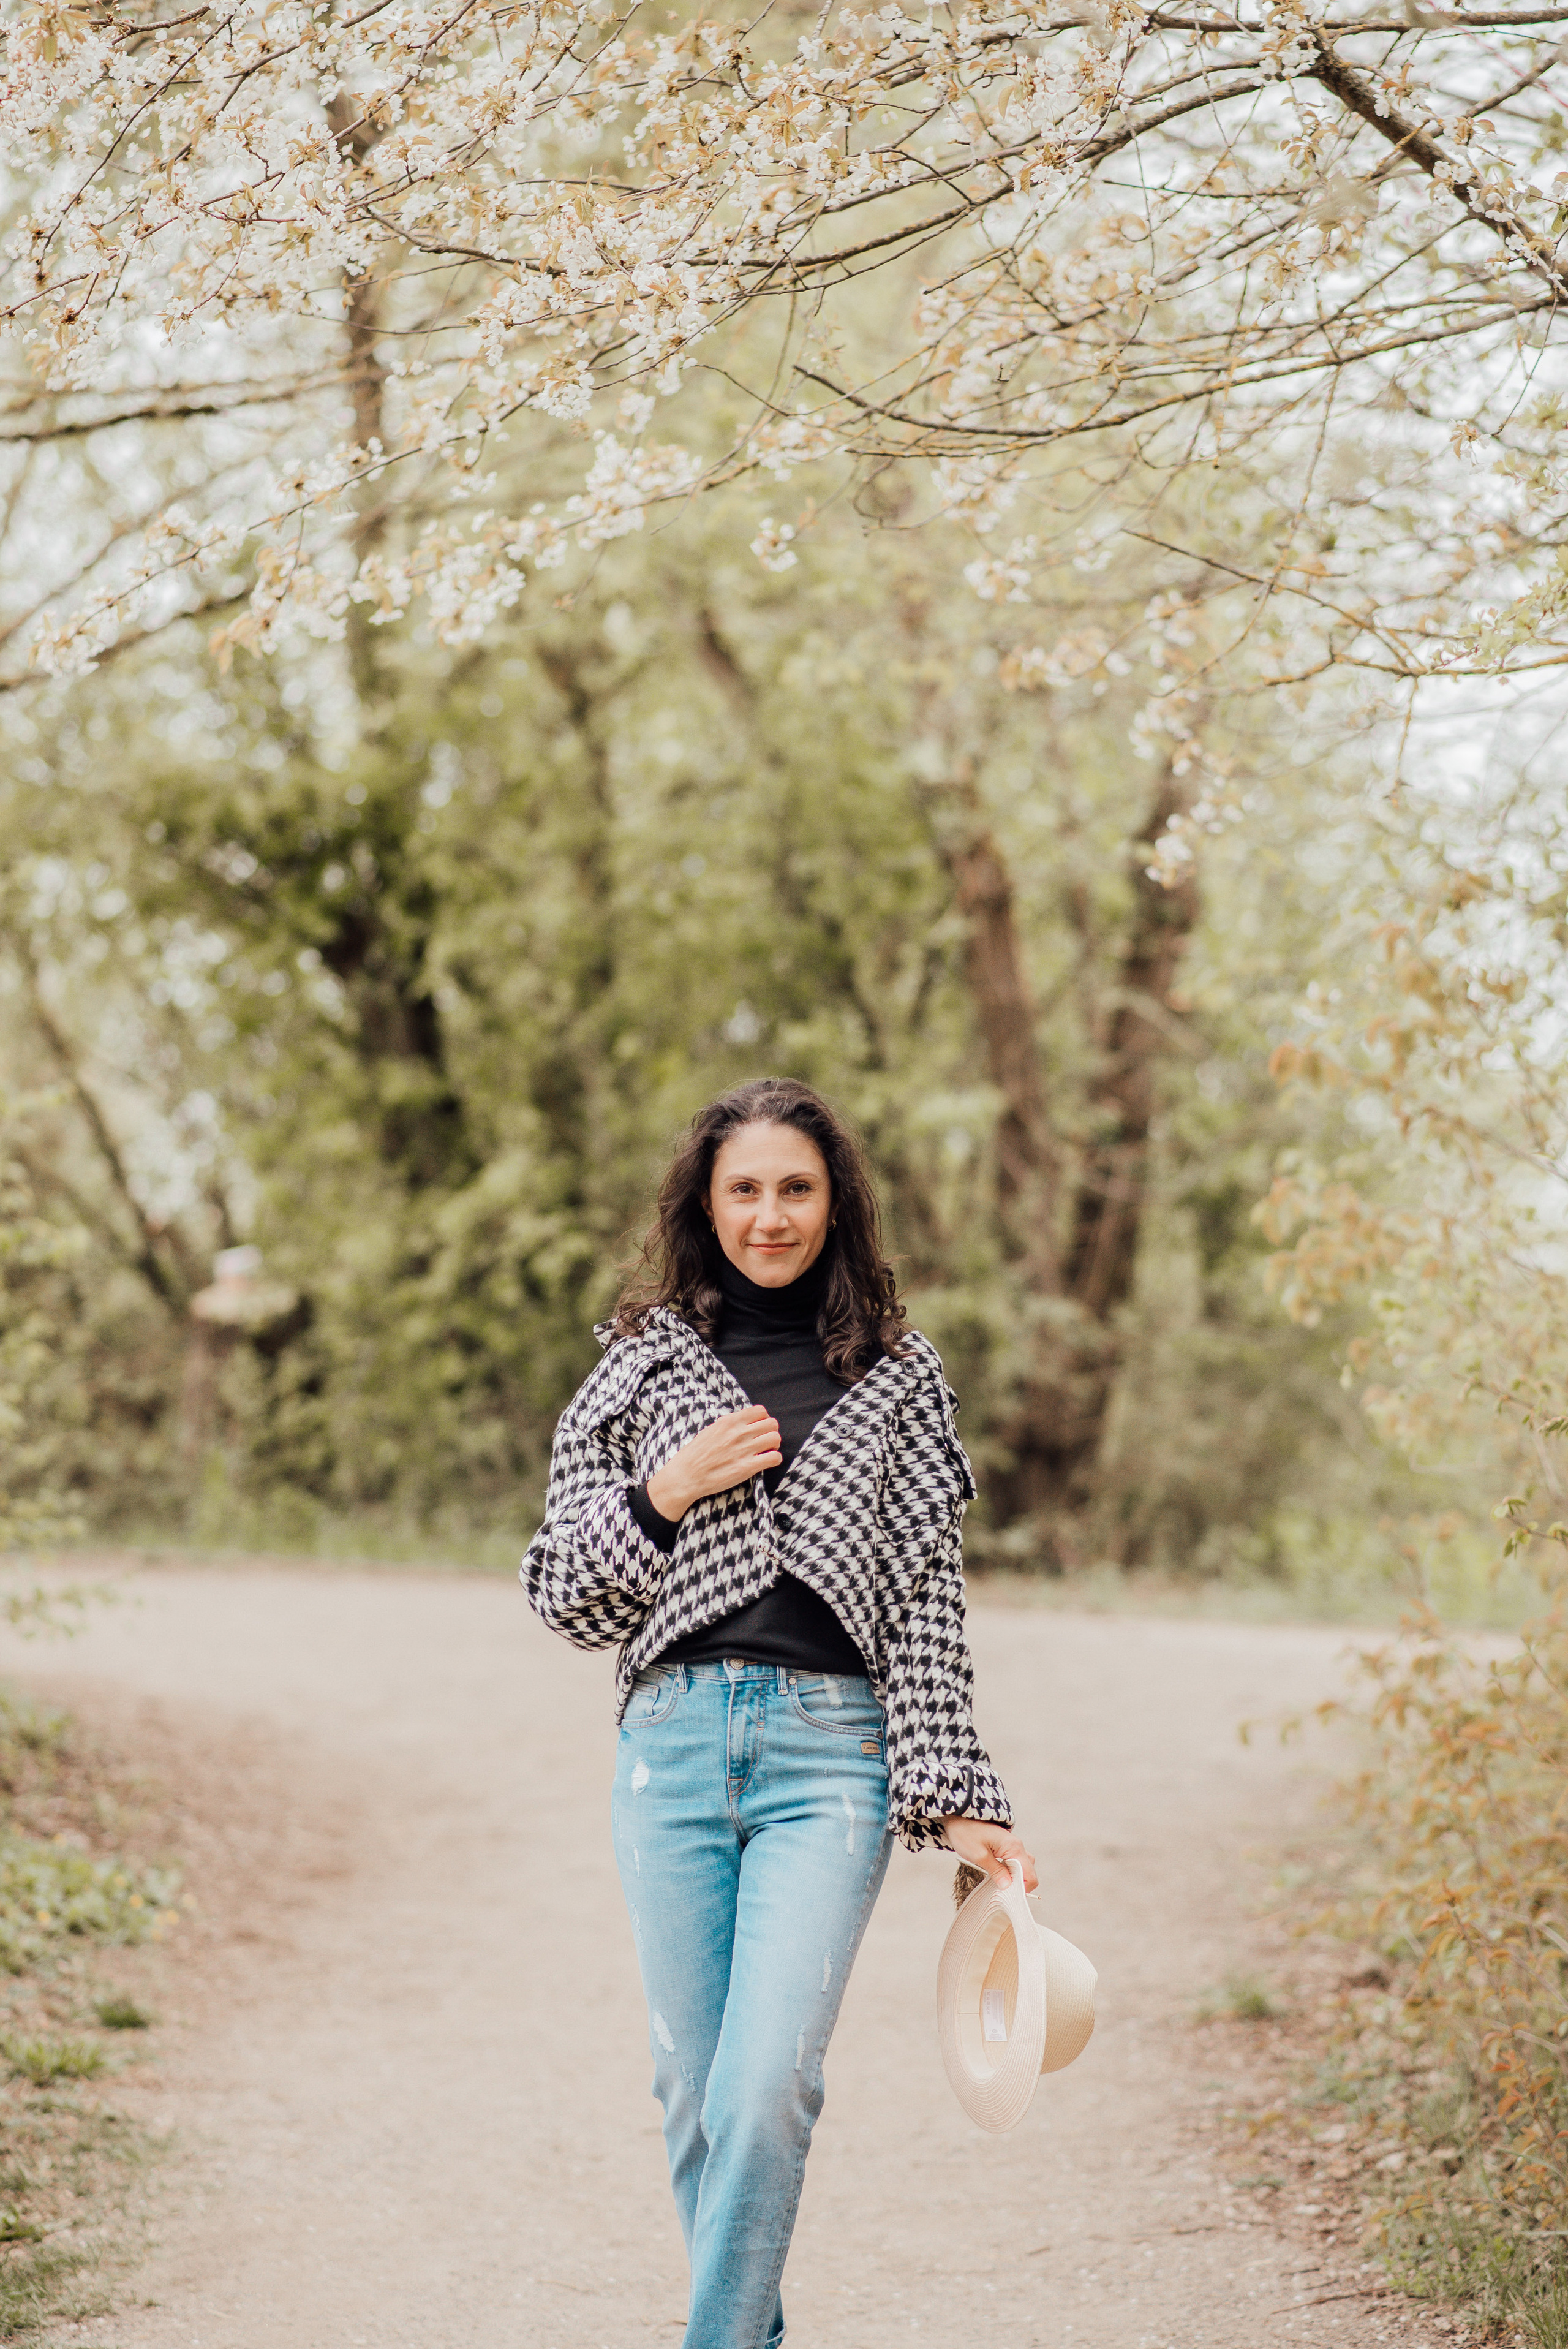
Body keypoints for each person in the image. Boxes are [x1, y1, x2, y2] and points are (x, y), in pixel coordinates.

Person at [521, 1076, 1034, 2349]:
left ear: (834, 1203)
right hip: (671, 1750)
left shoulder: (898, 1377)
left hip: (833, 1755)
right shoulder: (635, 1367)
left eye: (794, 1188)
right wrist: (662, 1494)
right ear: (706, 1202)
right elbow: (558, 1593)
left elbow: (924, 1598)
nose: (769, 1215)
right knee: (694, 2093)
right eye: (743, 1188)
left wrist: (958, 1797)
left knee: (764, 2088)